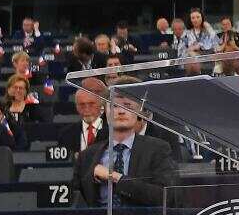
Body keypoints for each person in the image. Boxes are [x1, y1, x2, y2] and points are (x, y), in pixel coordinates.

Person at [71, 77, 178, 207]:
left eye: (127, 106)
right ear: (105, 111)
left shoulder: (158, 150)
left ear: (139, 112)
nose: (121, 111)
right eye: (114, 106)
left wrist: (116, 177)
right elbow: (76, 204)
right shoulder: (86, 156)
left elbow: (166, 197)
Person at [57, 79, 108, 155]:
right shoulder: (66, 134)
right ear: (76, 107)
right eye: (82, 105)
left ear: (100, 105)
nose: (86, 109)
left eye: (91, 104)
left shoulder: (112, 132)